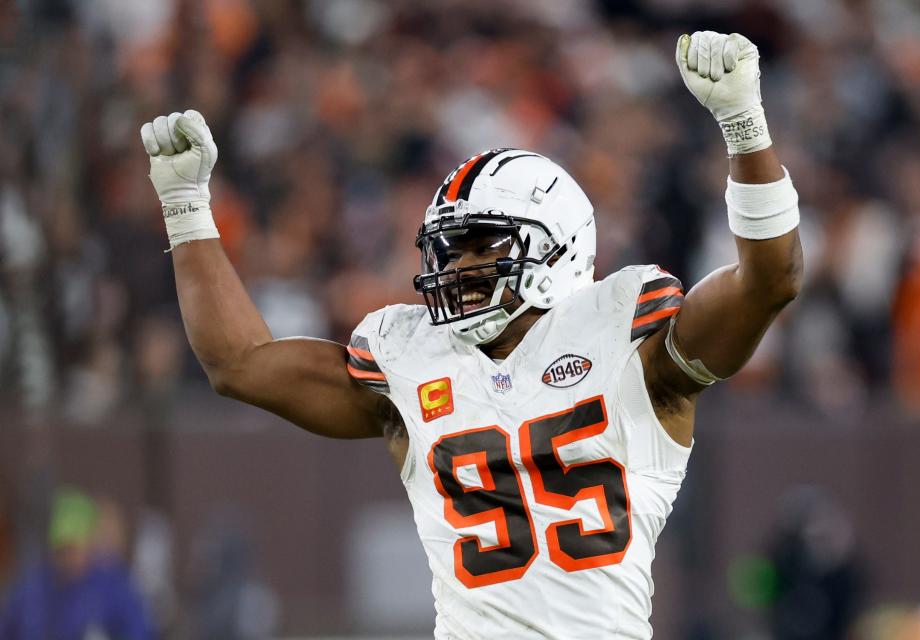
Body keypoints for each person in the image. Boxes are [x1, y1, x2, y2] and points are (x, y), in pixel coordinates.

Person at [140, 31, 802, 639]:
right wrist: (186, 207)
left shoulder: (632, 340)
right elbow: (239, 364)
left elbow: (768, 280)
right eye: (449, 250)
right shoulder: (412, 357)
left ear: (557, 249)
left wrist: (743, 123)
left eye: (482, 244)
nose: (459, 267)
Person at [0, 489, 153, 640]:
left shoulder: (113, 587)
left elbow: (139, 630)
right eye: (63, 549)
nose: (70, 557)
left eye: (76, 548)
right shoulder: (32, 591)